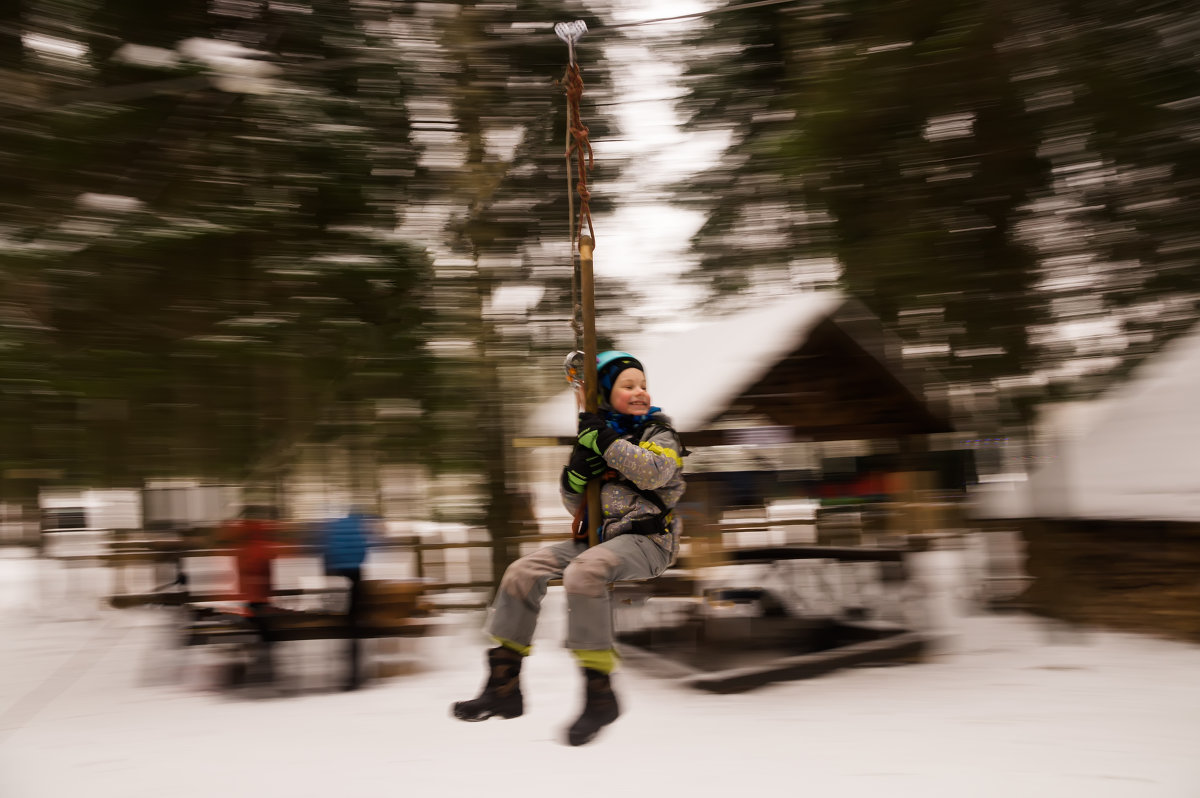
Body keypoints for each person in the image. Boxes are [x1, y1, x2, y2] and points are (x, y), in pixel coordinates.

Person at [452, 350, 686, 746]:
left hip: (649, 540)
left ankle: (599, 692)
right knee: (522, 571)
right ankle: (504, 684)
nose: (640, 392)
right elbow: (573, 503)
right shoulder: (597, 436)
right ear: (606, 394)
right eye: (628, 386)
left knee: (585, 572)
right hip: (602, 539)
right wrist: (577, 472)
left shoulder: (658, 434)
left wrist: (604, 440)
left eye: (643, 385)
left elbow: (653, 473)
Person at [321, 505, 376, 691]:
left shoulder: (335, 526)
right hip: (355, 577)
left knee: (344, 624)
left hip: (338, 576)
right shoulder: (359, 527)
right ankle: (356, 674)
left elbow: (326, 549)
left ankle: (348, 673)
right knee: (354, 625)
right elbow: (365, 551)